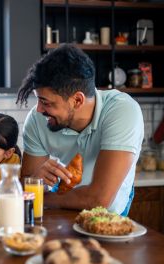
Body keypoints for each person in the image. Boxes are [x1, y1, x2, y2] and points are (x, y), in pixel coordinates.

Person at [16, 44, 143, 215]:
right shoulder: (37, 119)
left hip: (109, 212)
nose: (39, 109)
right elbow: (26, 186)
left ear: (77, 100)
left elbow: (99, 199)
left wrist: (39, 197)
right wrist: (35, 180)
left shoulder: (123, 111)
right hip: (62, 201)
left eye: (46, 102)